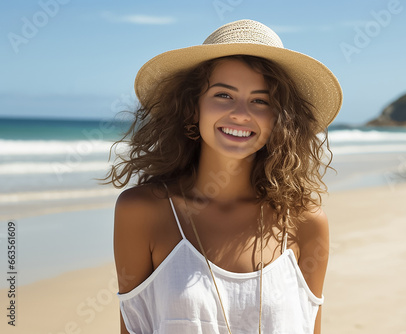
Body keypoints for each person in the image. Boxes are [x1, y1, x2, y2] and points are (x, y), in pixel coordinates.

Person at [108, 19, 342, 334]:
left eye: (260, 101)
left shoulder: (304, 222)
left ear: (278, 119)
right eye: (223, 95)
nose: (241, 113)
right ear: (193, 108)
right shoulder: (142, 212)